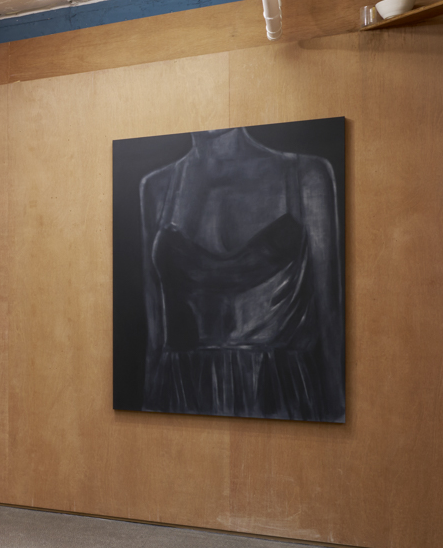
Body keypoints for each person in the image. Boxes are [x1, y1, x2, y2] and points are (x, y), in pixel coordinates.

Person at [140, 126, 344, 422]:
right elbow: (155, 339)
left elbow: (330, 323)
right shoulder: (156, 187)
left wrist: (336, 416)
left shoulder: (306, 175)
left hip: (280, 396)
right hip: (182, 395)